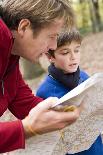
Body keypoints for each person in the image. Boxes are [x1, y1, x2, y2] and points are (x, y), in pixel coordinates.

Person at [0, 0, 84, 153]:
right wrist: (27, 128)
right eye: (51, 36)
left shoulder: (10, 54)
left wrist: (63, 112)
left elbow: (20, 98)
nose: (53, 46)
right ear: (24, 27)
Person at [36, 30, 103, 155]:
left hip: (96, 148)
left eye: (77, 50)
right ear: (50, 56)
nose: (73, 57)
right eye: (65, 52)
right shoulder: (44, 92)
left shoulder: (84, 77)